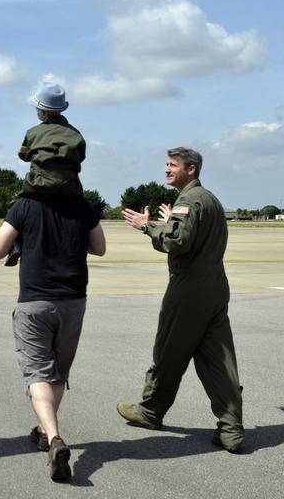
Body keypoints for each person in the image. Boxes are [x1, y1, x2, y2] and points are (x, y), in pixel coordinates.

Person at [119, 147, 244, 453]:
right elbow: (189, 233)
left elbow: (179, 242)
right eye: (166, 164)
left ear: (191, 169)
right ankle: (231, 429)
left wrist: (146, 226)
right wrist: (166, 222)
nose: (166, 169)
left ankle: (150, 411)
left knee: (169, 352)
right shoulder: (210, 199)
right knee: (220, 360)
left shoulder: (188, 200)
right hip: (216, 288)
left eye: (172, 165)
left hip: (189, 289)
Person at [0, 193, 106, 481]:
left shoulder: (24, 206)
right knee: (58, 372)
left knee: (38, 373)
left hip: (34, 301)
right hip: (73, 300)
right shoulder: (83, 206)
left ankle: (54, 438)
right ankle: (43, 432)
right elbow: (100, 248)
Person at [5, 81, 86, 267]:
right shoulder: (76, 135)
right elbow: (80, 157)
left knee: (14, 207)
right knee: (85, 212)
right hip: (69, 188)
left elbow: (23, 155)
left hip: (38, 187)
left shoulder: (33, 133)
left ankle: (15, 246)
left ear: (42, 111)